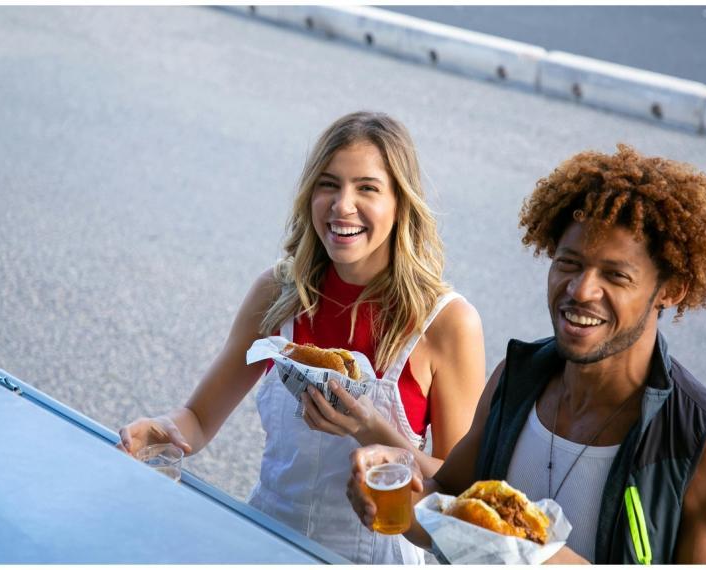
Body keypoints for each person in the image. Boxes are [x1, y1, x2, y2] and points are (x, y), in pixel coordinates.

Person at [347, 144, 706, 564]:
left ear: (670, 291)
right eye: (569, 263)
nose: (581, 290)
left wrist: (544, 559)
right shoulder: (518, 378)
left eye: (615, 275)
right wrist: (397, 493)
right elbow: (450, 508)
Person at [117, 111, 487, 564]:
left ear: (400, 202)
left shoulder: (447, 323)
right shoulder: (276, 293)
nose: (342, 205)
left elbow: (458, 491)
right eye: (328, 184)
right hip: (262, 547)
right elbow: (198, 417)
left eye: (366, 188)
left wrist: (370, 428)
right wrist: (165, 430)